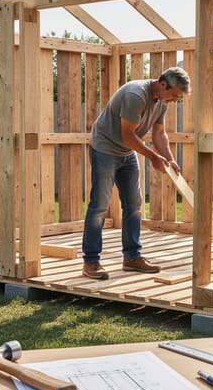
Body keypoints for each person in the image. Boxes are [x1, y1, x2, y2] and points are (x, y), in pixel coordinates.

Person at [81, 66, 191, 280]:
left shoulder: (161, 101)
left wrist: (169, 159)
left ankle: (132, 257)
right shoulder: (135, 95)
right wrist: (152, 157)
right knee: (100, 205)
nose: (174, 101)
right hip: (105, 147)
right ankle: (91, 262)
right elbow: (127, 134)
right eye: (174, 96)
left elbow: (160, 133)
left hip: (126, 150)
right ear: (162, 85)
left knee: (134, 203)